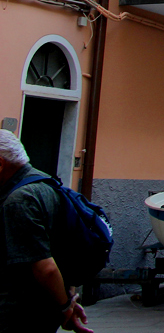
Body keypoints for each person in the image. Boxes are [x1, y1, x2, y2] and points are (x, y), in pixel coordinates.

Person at [0, 130, 94, 333]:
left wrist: (65, 307)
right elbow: (65, 246)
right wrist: (67, 298)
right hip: (42, 309)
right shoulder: (46, 184)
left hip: (18, 313)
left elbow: (46, 267)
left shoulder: (19, 201)